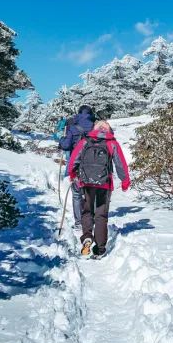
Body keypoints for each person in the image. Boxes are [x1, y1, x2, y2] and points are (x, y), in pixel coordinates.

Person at [67, 120, 130, 257]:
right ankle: (100, 249)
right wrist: (125, 181)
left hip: (86, 182)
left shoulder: (85, 141)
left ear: (94, 128)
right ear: (109, 129)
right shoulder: (111, 142)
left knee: (87, 211)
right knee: (101, 215)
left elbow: (73, 160)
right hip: (104, 183)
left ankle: (87, 237)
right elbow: (120, 164)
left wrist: (72, 174)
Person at [58, 105, 96, 230]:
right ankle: (91, 219)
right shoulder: (96, 126)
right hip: (92, 165)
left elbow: (66, 145)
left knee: (76, 194)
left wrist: (62, 140)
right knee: (91, 193)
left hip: (76, 165)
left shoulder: (73, 126)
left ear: (78, 113)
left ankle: (79, 223)